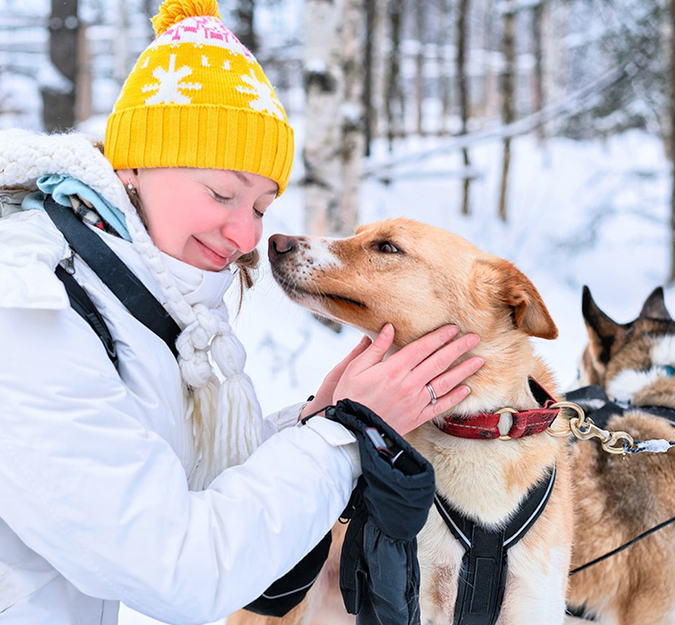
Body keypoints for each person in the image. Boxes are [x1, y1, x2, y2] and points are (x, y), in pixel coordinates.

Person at [0, 0, 482, 622]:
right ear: (134, 164)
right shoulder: (30, 306)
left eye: (259, 206)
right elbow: (176, 567)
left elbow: (187, 481)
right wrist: (344, 436)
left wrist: (316, 421)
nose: (247, 237)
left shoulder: (137, 300)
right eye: (223, 192)